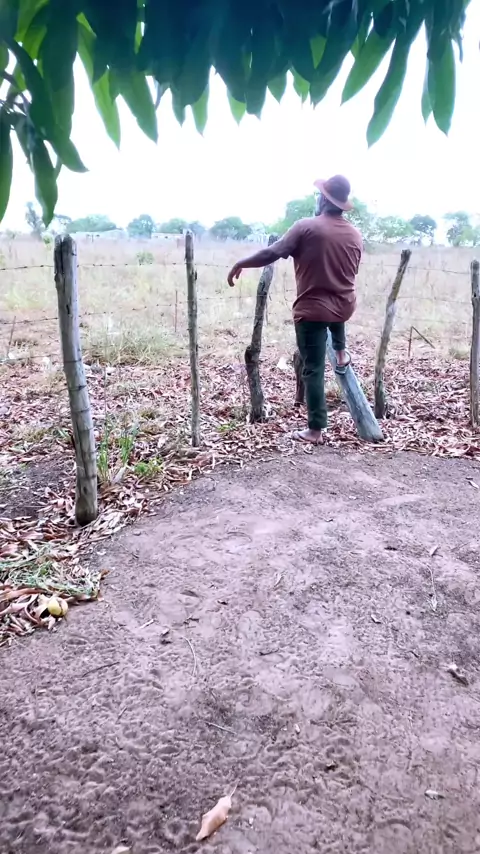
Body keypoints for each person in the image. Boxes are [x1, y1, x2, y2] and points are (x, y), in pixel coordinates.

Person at [227, 174, 363, 445]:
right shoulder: (355, 234)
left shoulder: (306, 227)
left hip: (313, 311)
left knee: (313, 368)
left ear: (324, 199)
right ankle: (340, 351)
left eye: (320, 195)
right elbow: (346, 274)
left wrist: (241, 262)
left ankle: (315, 430)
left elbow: (273, 252)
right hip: (345, 306)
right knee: (335, 303)